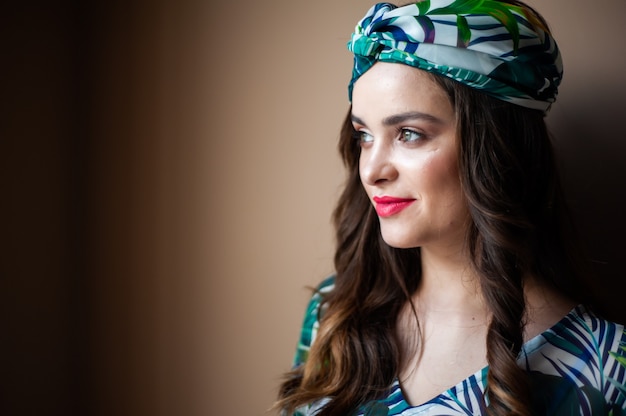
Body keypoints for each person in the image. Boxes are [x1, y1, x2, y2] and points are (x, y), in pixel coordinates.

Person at [276, 1, 626, 415]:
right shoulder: (332, 314)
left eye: (408, 134)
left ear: (496, 148)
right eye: (364, 135)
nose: (371, 170)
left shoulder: (606, 368)